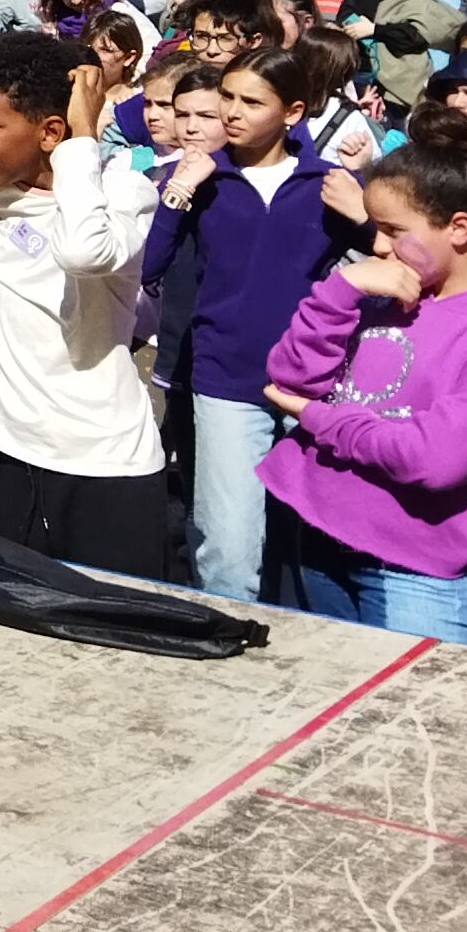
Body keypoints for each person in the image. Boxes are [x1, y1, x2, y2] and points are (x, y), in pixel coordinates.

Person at [257, 146, 467, 640]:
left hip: (415, 571)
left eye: (394, 231)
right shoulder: (380, 291)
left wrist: (321, 419)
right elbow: (291, 379)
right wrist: (339, 290)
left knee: (407, 713)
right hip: (319, 540)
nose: (380, 247)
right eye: (376, 228)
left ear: (458, 228)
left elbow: (436, 459)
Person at [144, 37, 368, 601]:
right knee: (227, 545)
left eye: (251, 102)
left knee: (314, 542)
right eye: (228, 97)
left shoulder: (326, 184)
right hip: (225, 381)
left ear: (293, 112)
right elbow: (150, 265)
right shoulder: (204, 180)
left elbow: (397, 268)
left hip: (316, 385)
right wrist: (178, 193)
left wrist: (365, 218)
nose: (232, 113)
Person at [0, 32, 169, 573]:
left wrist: (82, 138)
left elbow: (82, 252)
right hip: (15, 456)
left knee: (119, 637)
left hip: (107, 464)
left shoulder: (122, 195)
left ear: (50, 131)